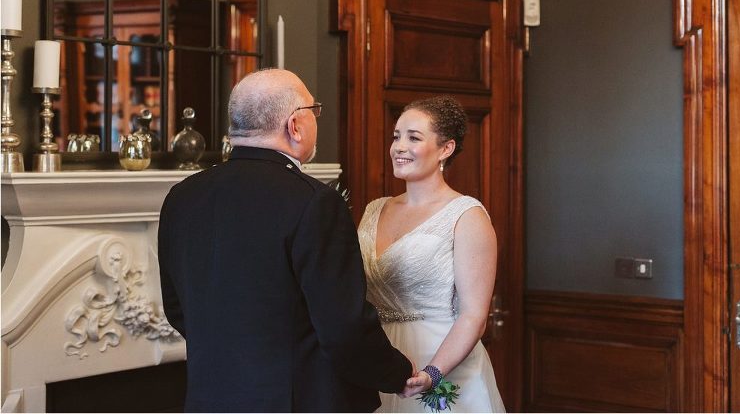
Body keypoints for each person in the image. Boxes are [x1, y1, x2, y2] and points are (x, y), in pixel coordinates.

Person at [158, 68, 415, 412]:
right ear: (295, 125)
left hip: (210, 399)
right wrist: (396, 374)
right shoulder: (314, 201)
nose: (316, 121)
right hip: (299, 401)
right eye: (314, 111)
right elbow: (342, 327)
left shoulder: (181, 197)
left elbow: (177, 308)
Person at [357, 96, 505, 412]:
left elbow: (473, 316)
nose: (399, 146)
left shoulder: (466, 216)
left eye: (413, 137)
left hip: (440, 362)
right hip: (379, 361)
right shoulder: (374, 210)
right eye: (396, 136)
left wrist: (432, 373)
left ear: (445, 148)